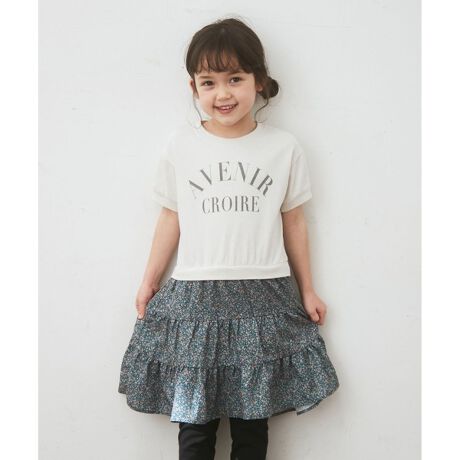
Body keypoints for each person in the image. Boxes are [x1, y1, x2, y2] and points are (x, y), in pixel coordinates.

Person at [118, 16, 340, 460]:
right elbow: (170, 217)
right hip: (196, 298)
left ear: (259, 80)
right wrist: (149, 280)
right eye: (209, 82)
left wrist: (308, 289)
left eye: (235, 79)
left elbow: (294, 222)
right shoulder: (180, 145)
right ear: (193, 88)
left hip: (263, 296)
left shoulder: (283, 148)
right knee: (195, 426)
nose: (223, 94)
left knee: (251, 426)